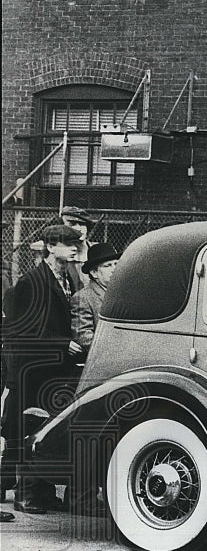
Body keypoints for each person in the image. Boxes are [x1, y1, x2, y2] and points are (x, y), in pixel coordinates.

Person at [1, 224, 85, 514]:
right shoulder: (31, 282)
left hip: (52, 370)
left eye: (76, 242)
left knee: (46, 428)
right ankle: (26, 496)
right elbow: (20, 331)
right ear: (50, 247)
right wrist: (63, 344)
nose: (74, 247)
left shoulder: (68, 279)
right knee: (27, 427)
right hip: (31, 371)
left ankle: (44, 492)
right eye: (67, 243)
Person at [71, 243, 120, 358]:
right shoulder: (82, 297)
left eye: (116, 264)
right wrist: (115, 351)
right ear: (94, 273)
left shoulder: (122, 294)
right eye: (107, 266)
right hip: (103, 359)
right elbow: (83, 336)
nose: (114, 269)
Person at [60, 206, 96, 291]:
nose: (79, 228)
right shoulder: (59, 257)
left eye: (82, 224)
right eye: (72, 224)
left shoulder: (98, 252)